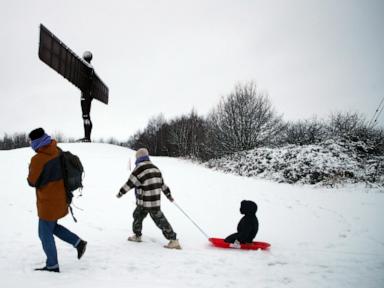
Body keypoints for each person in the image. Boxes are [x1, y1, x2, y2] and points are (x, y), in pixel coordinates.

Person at [27, 128, 87, 273]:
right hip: (62, 198)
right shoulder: (57, 150)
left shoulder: (38, 159)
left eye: (31, 141)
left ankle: (52, 265)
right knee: (52, 227)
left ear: (36, 142)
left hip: (48, 203)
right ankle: (78, 243)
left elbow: (32, 181)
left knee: (44, 233)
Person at [116, 148, 181, 249]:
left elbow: (130, 183)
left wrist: (121, 192)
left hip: (145, 201)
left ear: (138, 158)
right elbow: (162, 185)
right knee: (137, 215)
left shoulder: (139, 168)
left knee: (160, 220)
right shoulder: (156, 168)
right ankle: (137, 236)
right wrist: (169, 196)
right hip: (153, 201)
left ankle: (173, 240)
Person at [80, 51, 94, 142]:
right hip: (87, 95)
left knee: (85, 116)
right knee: (87, 116)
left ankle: (87, 137)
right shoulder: (90, 68)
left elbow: (86, 82)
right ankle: (87, 136)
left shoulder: (87, 68)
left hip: (85, 95)